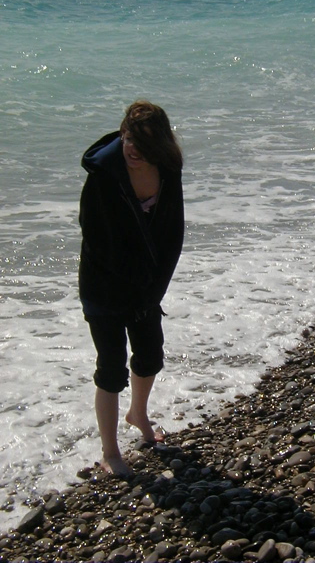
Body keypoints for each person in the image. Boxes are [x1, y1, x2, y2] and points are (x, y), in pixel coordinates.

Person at [79, 100, 184, 476]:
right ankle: (111, 453)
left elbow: (173, 233)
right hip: (103, 285)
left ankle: (137, 413)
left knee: (150, 356)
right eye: (127, 138)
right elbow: (96, 239)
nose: (132, 149)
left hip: (144, 287)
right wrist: (130, 289)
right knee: (110, 368)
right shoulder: (104, 175)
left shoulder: (168, 170)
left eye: (142, 142)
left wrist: (154, 290)